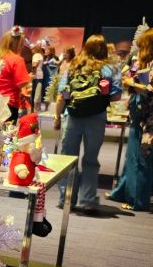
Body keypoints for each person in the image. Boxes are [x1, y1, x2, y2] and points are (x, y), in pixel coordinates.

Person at [54, 35, 122, 213]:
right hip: (96, 117)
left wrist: (59, 115)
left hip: (72, 116)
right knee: (91, 160)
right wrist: (99, 98)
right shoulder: (109, 69)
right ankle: (88, 201)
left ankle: (66, 198)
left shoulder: (73, 66)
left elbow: (62, 93)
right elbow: (116, 95)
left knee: (68, 158)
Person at [108, 27, 153, 211]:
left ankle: (138, 201)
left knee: (142, 159)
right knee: (132, 156)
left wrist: (132, 83)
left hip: (148, 119)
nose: (139, 50)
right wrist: (129, 81)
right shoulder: (141, 61)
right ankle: (122, 191)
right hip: (138, 113)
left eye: (142, 46)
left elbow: (150, 90)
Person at [0, 27, 31, 121]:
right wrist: (30, 78)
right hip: (7, 106)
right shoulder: (17, 60)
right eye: (21, 44)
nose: (22, 47)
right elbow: (21, 83)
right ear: (16, 44)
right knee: (6, 130)